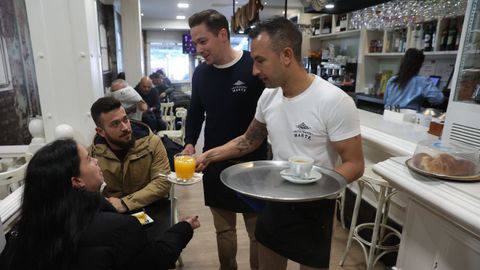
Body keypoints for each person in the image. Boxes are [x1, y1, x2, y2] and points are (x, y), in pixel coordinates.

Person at [195, 17, 364, 270]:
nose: (254, 71)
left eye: (260, 60)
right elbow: (249, 140)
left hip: (314, 206)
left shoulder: (334, 101)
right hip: (274, 198)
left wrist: (313, 187)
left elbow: (355, 164)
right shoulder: (268, 96)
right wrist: (208, 156)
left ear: (286, 55)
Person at [0, 138, 200, 270]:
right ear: (76, 181)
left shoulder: (20, 236)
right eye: (88, 159)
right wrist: (183, 228)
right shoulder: (121, 229)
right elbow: (157, 260)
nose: (95, 161)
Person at [185, 9, 267, 270]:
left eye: (202, 41)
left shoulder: (252, 68)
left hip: (253, 163)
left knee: (257, 234)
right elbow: (196, 112)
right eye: (195, 42)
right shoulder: (201, 74)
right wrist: (189, 143)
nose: (198, 49)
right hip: (214, 162)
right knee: (224, 232)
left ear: (223, 35)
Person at [89, 96, 171, 216]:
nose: (125, 128)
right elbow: (88, 192)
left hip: (150, 209)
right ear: (101, 132)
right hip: (112, 215)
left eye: (125, 119)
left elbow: (163, 181)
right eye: (115, 124)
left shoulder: (152, 143)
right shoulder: (92, 155)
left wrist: (125, 203)